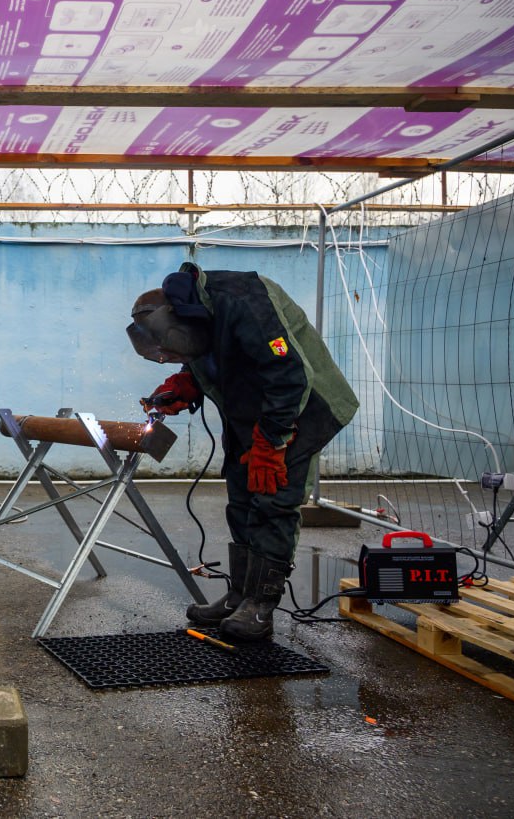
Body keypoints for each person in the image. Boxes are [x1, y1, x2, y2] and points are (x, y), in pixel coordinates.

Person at [126, 263, 358, 642]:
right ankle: (240, 595)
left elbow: (291, 374)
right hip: (250, 412)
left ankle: (260, 607)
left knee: (272, 499)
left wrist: (271, 443)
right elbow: (217, 356)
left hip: (301, 408)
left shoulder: (244, 299)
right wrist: (187, 383)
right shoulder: (195, 313)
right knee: (241, 496)